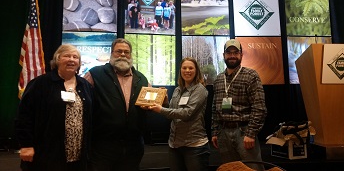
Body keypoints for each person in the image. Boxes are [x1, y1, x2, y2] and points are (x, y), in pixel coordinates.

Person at [15, 44, 94, 171]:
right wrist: (26, 145)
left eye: (75, 57)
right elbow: (24, 116)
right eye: (66, 56)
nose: (71, 59)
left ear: (79, 63)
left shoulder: (84, 85)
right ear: (57, 60)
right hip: (47, 153)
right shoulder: (40, 84)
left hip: (78, 155)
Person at [83, 38, 150, 171]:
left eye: (126, 52)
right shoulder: (95, 74)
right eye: (119, 51)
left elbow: (152, 101)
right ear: (111, 54)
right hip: (103, 145)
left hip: (133, 146)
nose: (123, 55)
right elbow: (81, 100)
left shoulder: (142, 78)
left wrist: (162, 100)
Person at [211, 39, 267, 171]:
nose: (232, 55)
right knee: (230, 169)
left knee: (253, 169)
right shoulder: (218, 79)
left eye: (235, 52)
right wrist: (214, 131)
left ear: (241, 55)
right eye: (228, 52)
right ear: (223, 55)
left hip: (243, 132)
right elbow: (214, 108)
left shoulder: (251, 75)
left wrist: (251, 133)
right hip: (223, 133)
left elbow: (259, 108)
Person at [146, 57, 210, 171]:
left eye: (191, 68)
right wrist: (165, 102)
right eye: (184, 68)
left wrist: (161, 109)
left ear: (196, 71)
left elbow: (187, 113)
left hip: (194, 146)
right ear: (180, 70)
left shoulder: (200, 90)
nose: (187, 70)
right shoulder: (177, 90)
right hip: (175, 145)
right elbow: (171, 113)